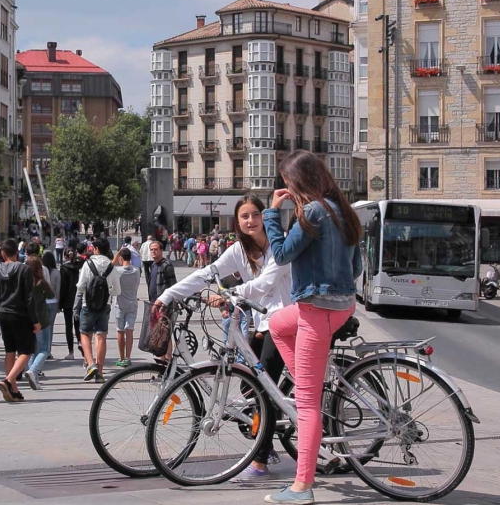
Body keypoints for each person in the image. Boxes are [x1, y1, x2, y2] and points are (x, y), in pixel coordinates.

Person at [155, 194, 293, 481]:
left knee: (263, 389)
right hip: (263, 321)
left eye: (255, 214)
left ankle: (260, 460)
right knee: (249, 386)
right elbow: (207, 273)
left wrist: (230, 295)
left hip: (285, 321)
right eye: (245, 216)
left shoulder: (279, 247)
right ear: (237, 222)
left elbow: (264, 283)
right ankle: (267, 433)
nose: (251, 221)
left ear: (264, 217)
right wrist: (167, 295)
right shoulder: (239, 251)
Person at [260, 151, 363, 504]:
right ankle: (306, 378)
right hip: (341, 306)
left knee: (307, 405)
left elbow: (282, 254)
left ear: (299, 181)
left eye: (288, 183)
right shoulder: (342, 208)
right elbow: (358, 267)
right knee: (276, 323)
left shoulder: (314, 212)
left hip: (317, 310)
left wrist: (272, 213)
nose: (286, 188)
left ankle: (302, 486)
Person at [0, 239, 39, 402]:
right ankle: (9, 380)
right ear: (17, 252)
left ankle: (14, 390)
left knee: (9, 350)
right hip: (21, 314)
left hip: (3, 313)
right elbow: (29, 297)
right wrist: (35, 320)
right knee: (27, 350)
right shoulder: (24, 270)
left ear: (3, 254)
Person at [77, 238, 121, 383]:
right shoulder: (111, 265)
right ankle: (100, 373)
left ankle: (90, 364)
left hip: (87, 305)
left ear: (95, 249)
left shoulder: (88, 264)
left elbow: (81, 286)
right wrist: (107, 292)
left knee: (84, 334)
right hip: (105, 306)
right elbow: (117, 290)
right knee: (101, 336)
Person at [24, 254, 55, 389]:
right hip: (42, 319)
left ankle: (34, 378)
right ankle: (33, 370)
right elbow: (51, 295)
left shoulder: (24, 282)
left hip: (28, 318)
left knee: (32, 349)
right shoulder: (41, 282)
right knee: (44, 349)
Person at [111, 248, 140, 367]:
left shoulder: (118, 271)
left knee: (120, 330)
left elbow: (109, 267)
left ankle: (121, 357)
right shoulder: (137, 270)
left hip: (120, 303)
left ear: (121, 258)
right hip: (132, 303)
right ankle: (128, 357)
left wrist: (117, 254)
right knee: (130, 330)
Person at [58, 246, 85, 360]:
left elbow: (63, 287)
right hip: (80, 299)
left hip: (68, 301)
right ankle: (81, 344)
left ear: (65, 256)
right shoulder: (82, 265)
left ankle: (71, 352)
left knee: (68, 326)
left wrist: (60, 303)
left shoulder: (64, 268)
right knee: (79, 325)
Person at [41, 251, 61, 360]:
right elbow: (58, 289)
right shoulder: (56, 273)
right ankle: (48, 350)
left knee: (42, 326)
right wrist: (58, 304)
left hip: (43, 301)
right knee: (50, 327)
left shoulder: (42, 271)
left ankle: (42, 349)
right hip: (53, 301)